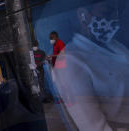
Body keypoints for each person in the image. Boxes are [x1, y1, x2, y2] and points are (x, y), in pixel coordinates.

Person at [53, 0, 129, 131]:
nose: (114, 19)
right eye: (107, 12)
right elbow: (93, 126)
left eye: (116, 13)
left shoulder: (115, 46)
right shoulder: (71, 60)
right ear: (82, 14)